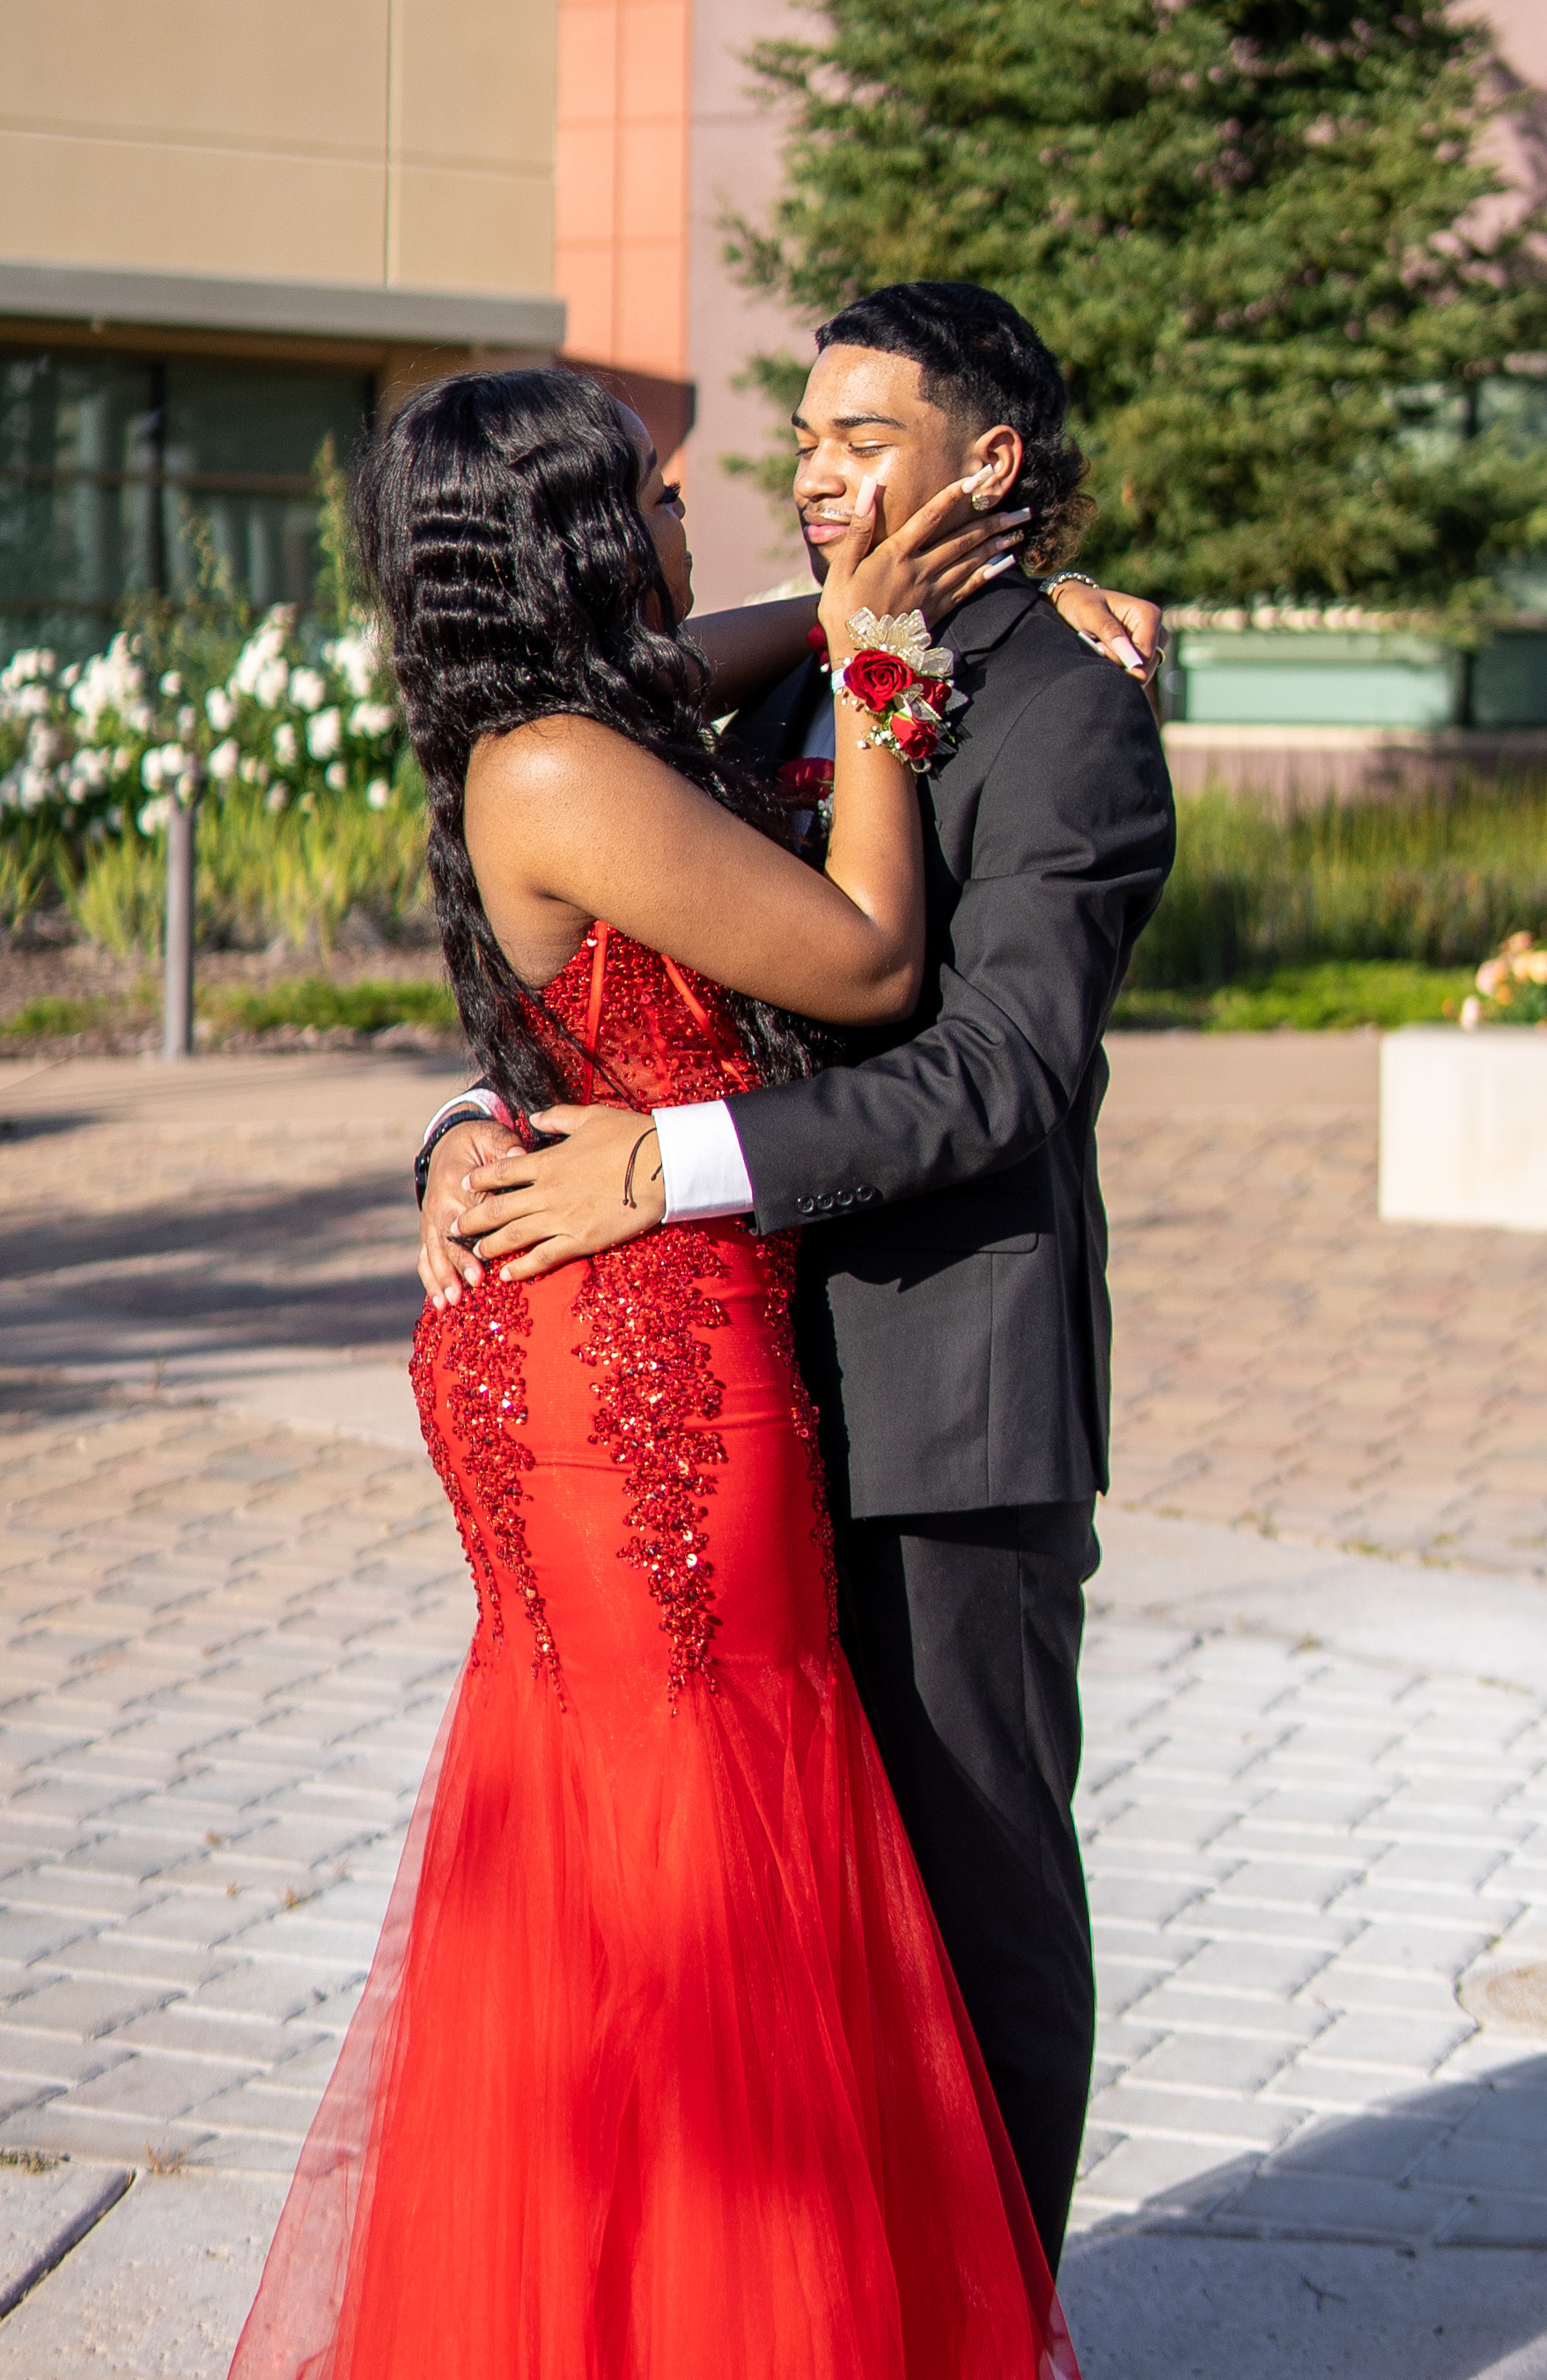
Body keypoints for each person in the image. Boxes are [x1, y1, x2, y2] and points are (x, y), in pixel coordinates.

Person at [231, 360, 1094, 2378]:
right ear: (572, 538)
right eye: (659, 491)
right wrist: (885, 671)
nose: (704, 512)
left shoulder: (570, 721)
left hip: (612, 1322)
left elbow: (730, 640)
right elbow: (875, 957)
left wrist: (932, 590)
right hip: (639, 1378)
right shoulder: (567, 768)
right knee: (697, 1872)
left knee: (646, 1859)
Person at [416, 285, 1175, 2272]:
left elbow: (1003, 1064)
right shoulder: (781, 688)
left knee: (974, 1909)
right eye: (805, 439)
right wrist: (464, 1121)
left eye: (864, 436)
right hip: (711, 1398)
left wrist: (679, 1166)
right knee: (782, 1929)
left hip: (942, 1394)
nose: (815, 473)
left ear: (988, 463)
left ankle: (997, 2312)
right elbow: (611, 946)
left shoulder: (1068, 705)